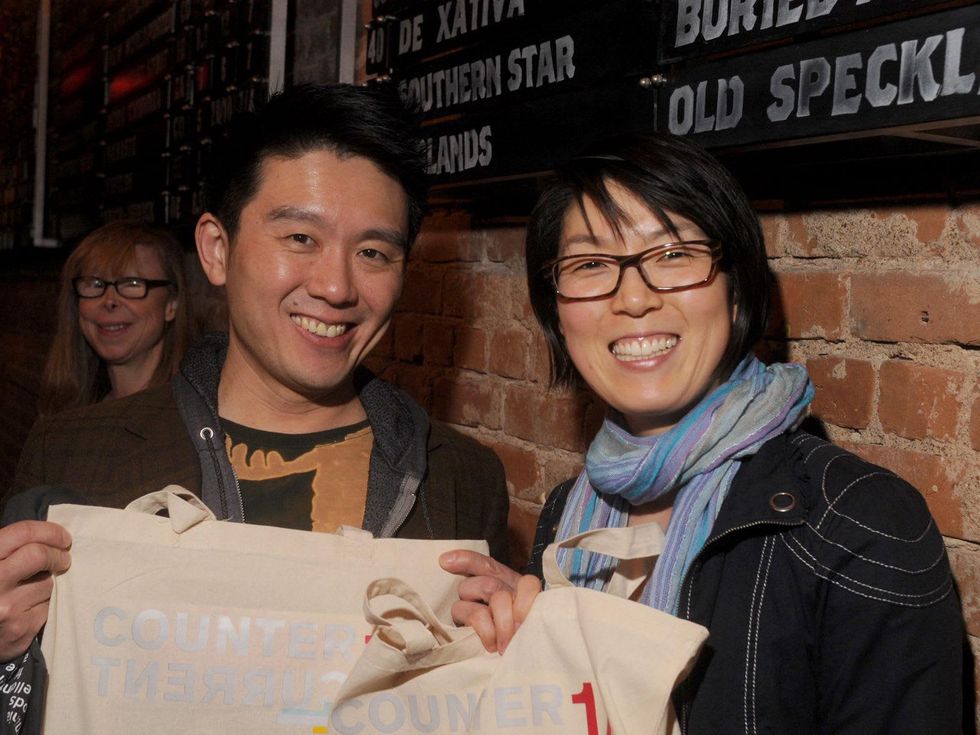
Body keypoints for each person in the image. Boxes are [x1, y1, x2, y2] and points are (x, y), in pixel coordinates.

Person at [1, 84, 509, 723]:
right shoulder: (74, 455)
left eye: (374, 252)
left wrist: (521, 652)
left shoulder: (461, 478)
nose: (335, 286)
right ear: (217, 250)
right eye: (300, 237)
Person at [440, 133, 963, 733]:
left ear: (736, 289)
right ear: (555, 310)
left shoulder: (859, 524)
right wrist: (526, 648)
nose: (632, 298)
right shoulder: (569, 516)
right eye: (589, 265)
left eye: (673, 256)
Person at [38, 220, 193, 416]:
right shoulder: (71, 413)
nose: (109, 300)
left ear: (172, 303)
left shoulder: (194, 417)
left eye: (132, 283)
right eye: (94, 284)